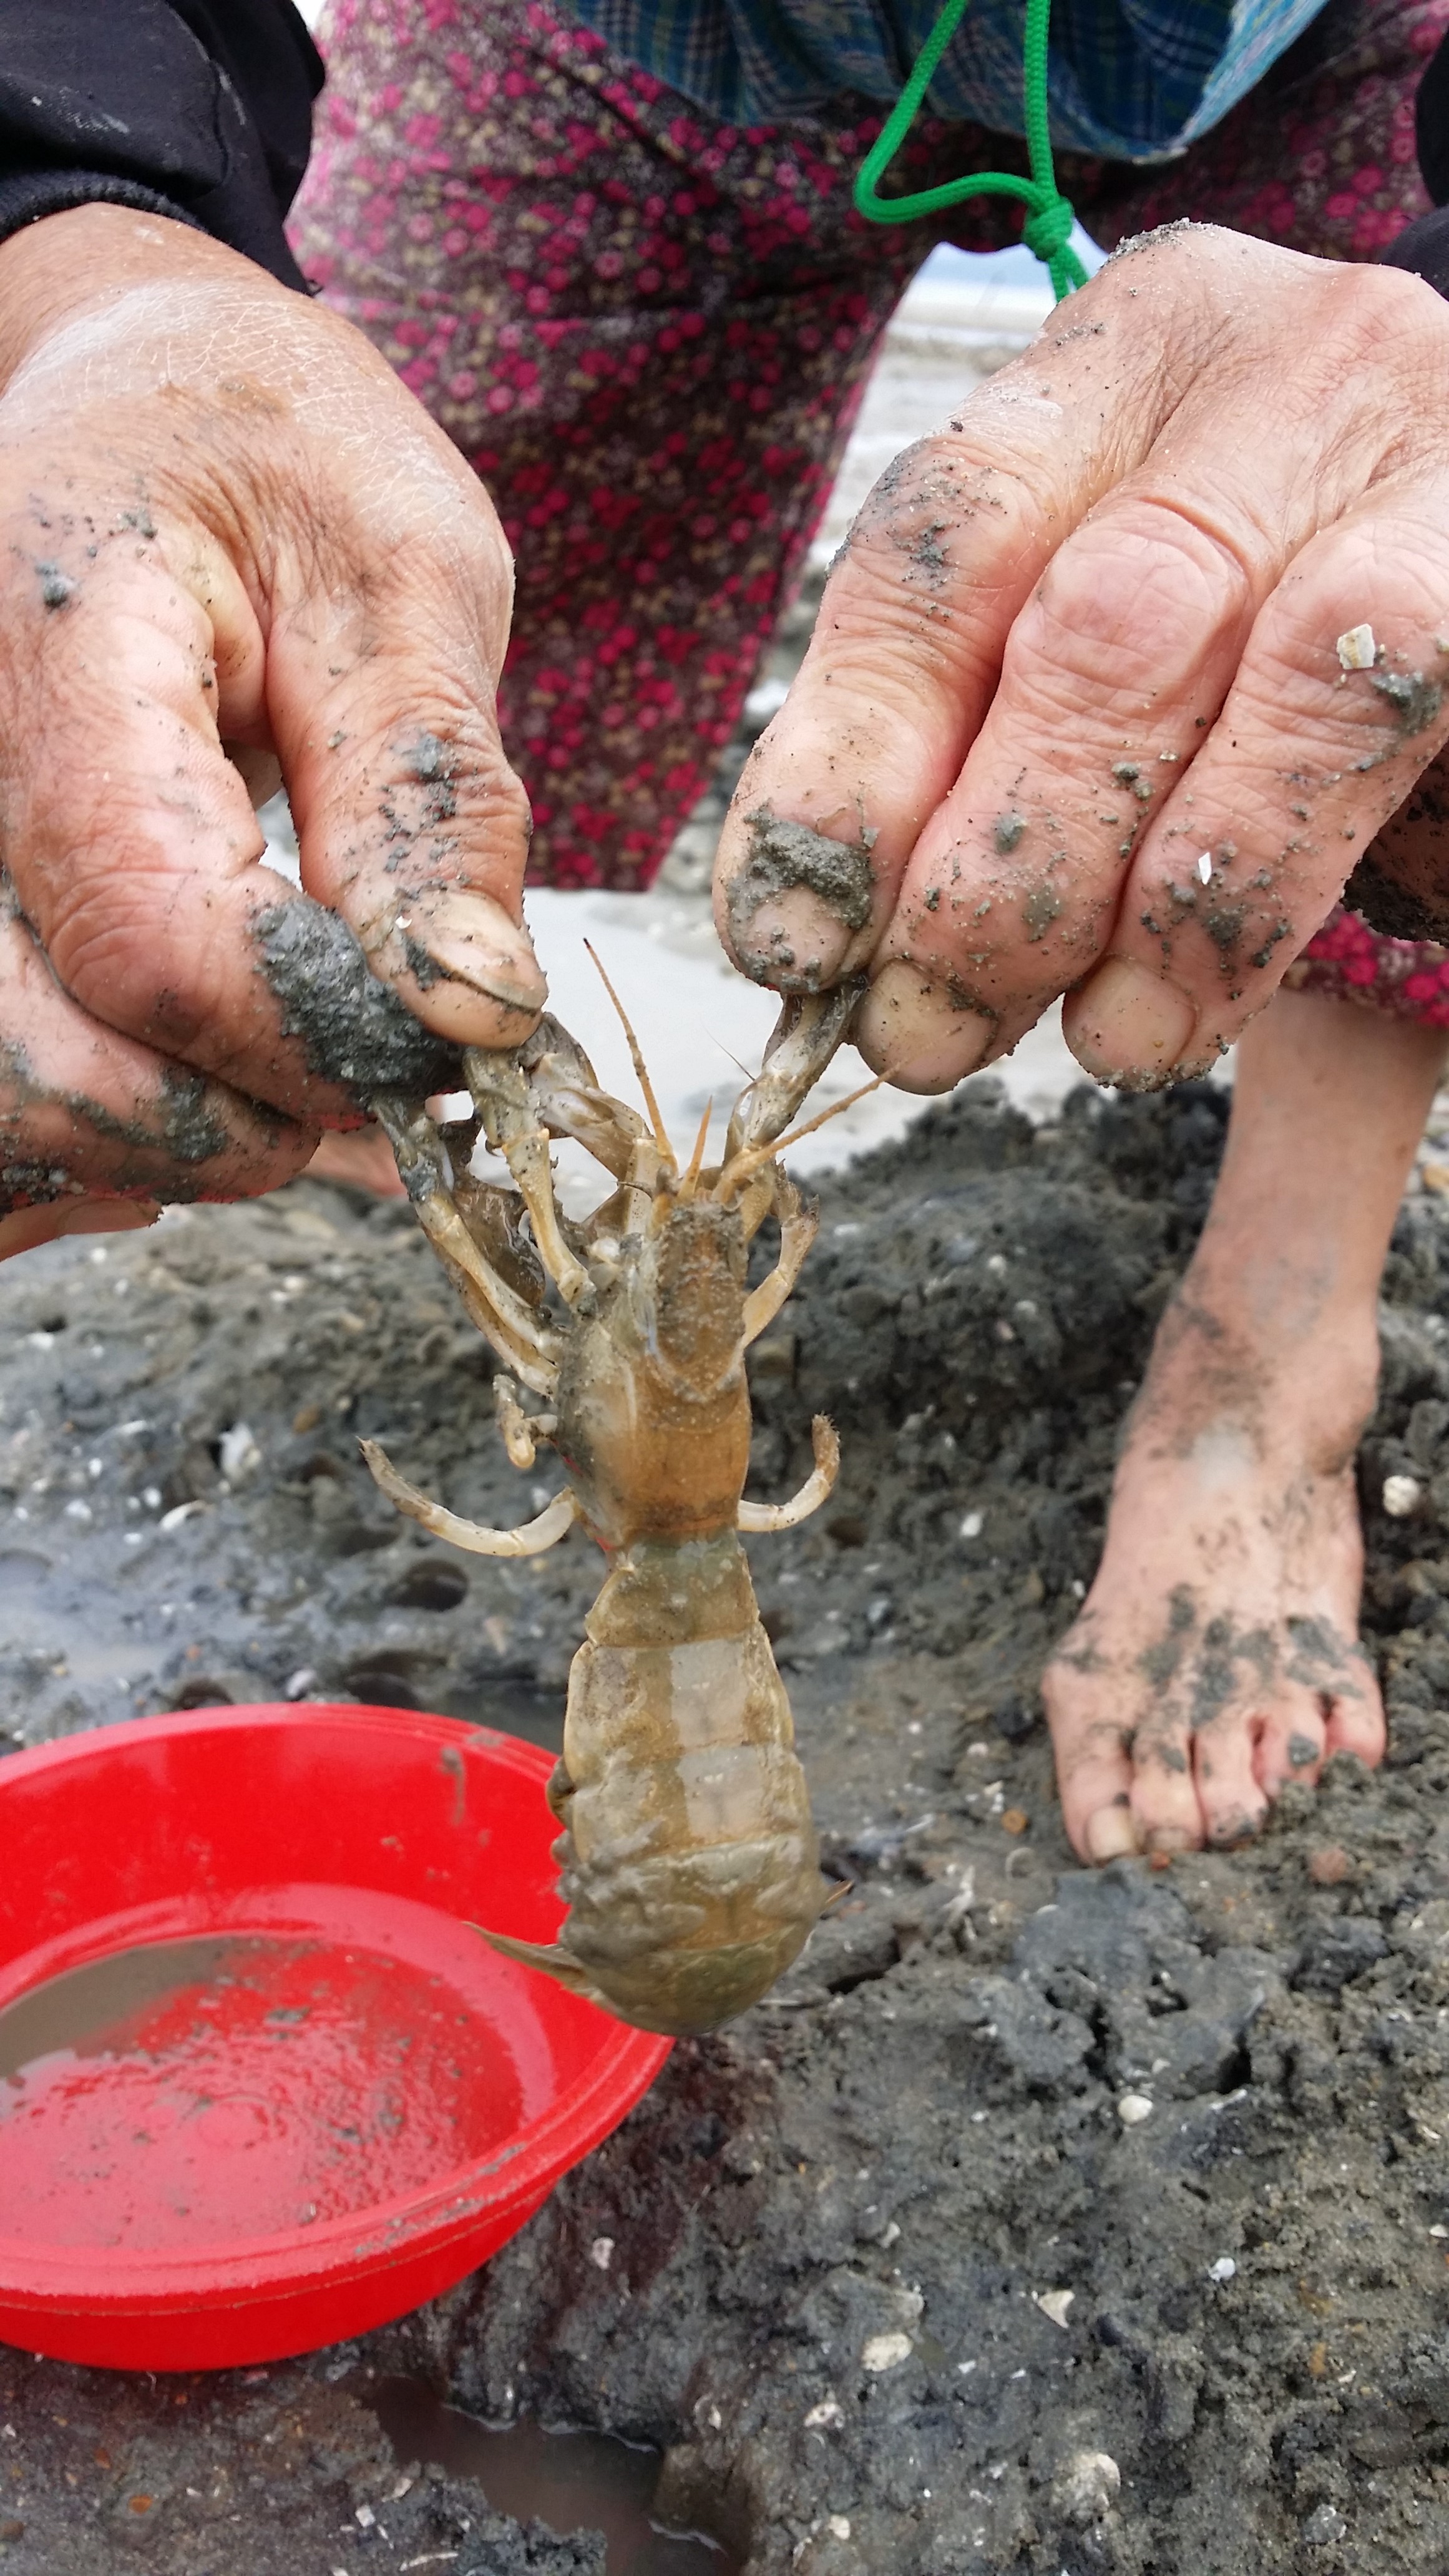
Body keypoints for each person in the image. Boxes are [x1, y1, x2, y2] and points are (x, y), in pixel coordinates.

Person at [7, 0, 1449, 1863]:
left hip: (1323, 48)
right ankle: (385, 1103)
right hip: (604, 33)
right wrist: (84, 216)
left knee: (1351, 666)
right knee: (344, 593)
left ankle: (1274, 1338)